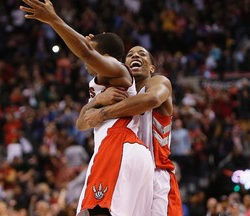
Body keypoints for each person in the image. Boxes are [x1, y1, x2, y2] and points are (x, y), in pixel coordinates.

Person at [20, 1, 154, 216]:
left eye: (93, 48)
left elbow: (85, 52)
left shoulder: (118, 69)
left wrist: (54, 20)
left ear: (106, 56)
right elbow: (82, 123)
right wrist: (95, 103)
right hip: (121, 150)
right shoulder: (101, 85)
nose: (84, 56)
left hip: (118, 146)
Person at [83, 46, 183, 216]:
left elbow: (151, 99)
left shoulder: (159, 82)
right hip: (124, 168)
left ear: (152, 67)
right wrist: (97, 100)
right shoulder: (115, 92)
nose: (135, 55)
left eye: (142, 54)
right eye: (129, 55)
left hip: (156, 172)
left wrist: (101, 112)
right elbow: (83, 122)